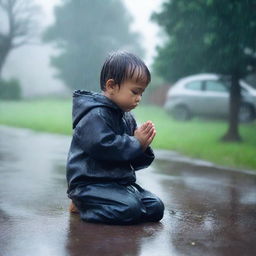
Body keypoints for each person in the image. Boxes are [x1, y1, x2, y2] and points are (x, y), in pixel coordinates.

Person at [66, 51, 164, 225]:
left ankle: (114, 203)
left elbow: (134, 161)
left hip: (118, 185)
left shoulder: (127, 117)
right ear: (111, 86)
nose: (139, 98)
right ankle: (83, 204)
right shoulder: (95, 115)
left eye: (142, 93)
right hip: (90, 185)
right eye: (135, 91)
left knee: (156, 207)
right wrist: (136, 142)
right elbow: (104, 148)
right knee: (130, 209)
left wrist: (143, 145)